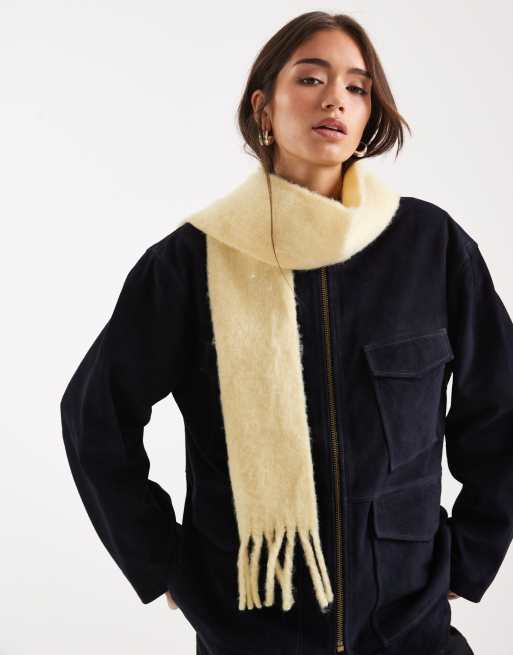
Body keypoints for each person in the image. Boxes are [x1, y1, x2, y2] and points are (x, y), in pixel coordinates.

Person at [60, 11, 513, 655]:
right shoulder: (192, 261)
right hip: (248, 627)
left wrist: (470, 560)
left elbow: (499, 409)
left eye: (357, 87)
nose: (335, 99)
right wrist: (161, 563)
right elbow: (95, 416)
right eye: (310, 78)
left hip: (409, 626)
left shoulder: (429, 247)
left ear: (369, 114)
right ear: (263, 108)